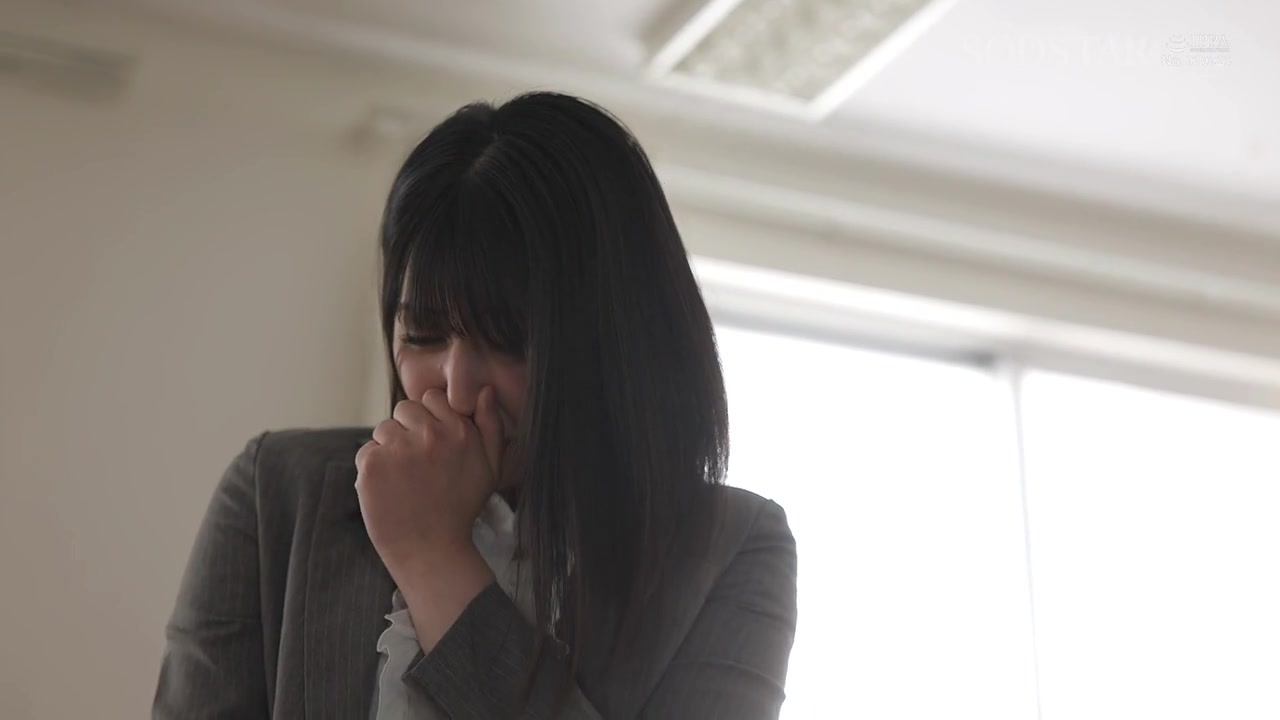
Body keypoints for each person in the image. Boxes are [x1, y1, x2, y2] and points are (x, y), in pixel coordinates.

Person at [153, 91, 798, 719]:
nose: (457, 391)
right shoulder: (275, 492)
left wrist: (435, 560)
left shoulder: (732, 551)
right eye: (423, 335)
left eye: (509, 340)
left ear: (613, 340)